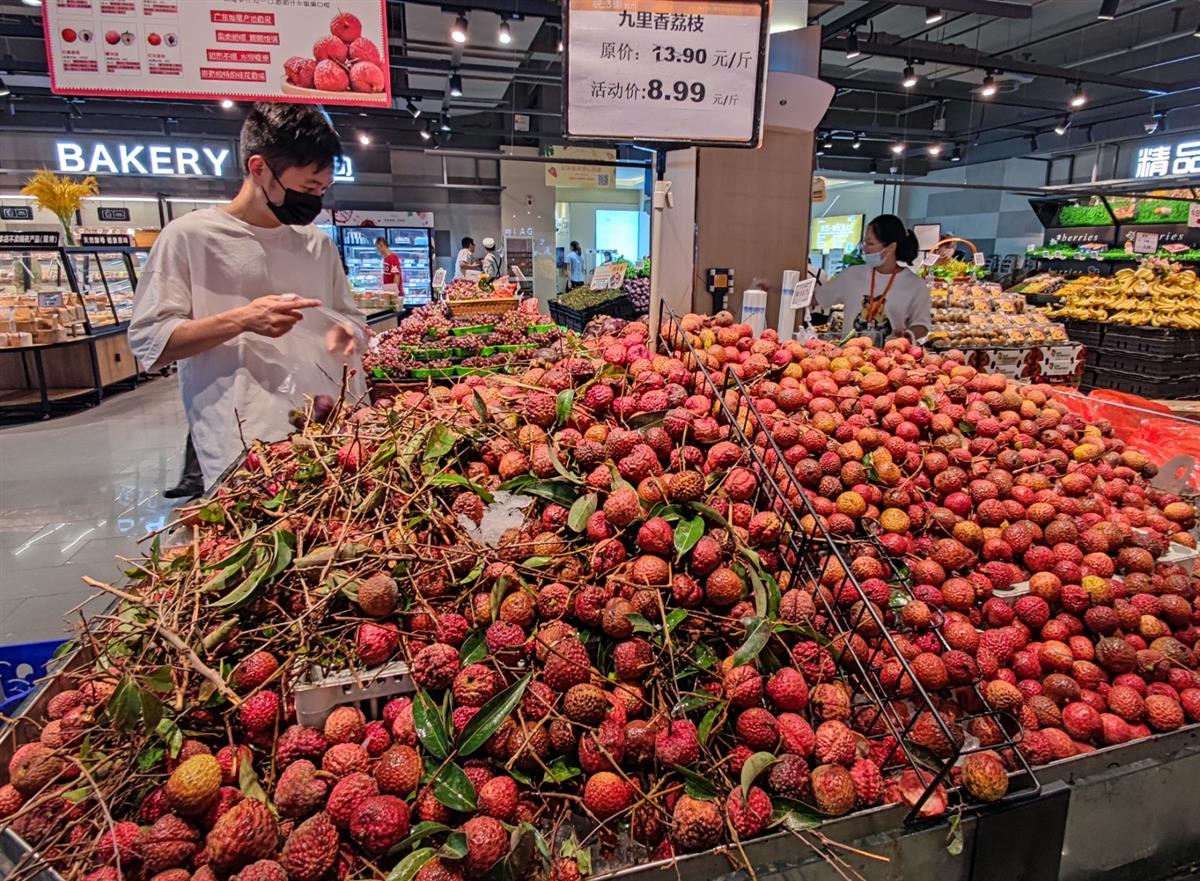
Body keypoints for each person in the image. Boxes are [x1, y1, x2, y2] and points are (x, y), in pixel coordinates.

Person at [130, 102, 365, 490]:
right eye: (307, 188)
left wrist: (346, 332)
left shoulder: (316, 245)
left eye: (323, 189)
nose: (315, 200)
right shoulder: (191, 238)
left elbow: (349, 317)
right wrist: (243, 319)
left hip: (326, 431)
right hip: (239, 440)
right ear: (259, 168)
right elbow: (149, 343)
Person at [814, 214, 930, 344]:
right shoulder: (851, 275)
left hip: (890, 360)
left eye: (870, 243)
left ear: (891, 247)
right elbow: (817, 298)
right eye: (864, 242)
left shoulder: (915, 285)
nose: (864, 248)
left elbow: (922, 325)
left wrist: (908, 335)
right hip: (849, 358)